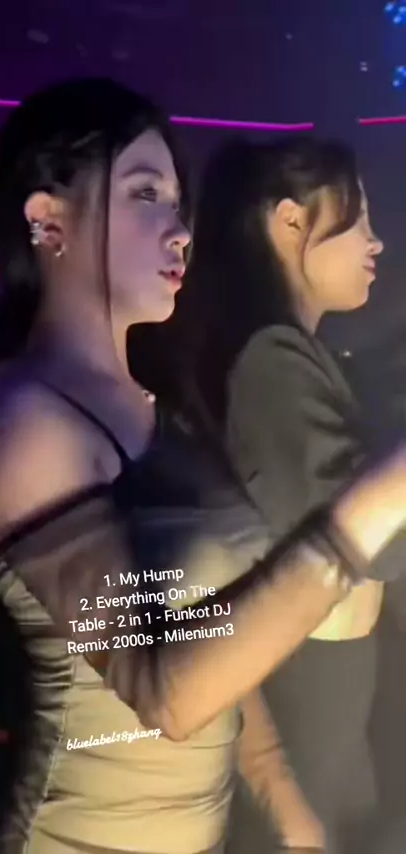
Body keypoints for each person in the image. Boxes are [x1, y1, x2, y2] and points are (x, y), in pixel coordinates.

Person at [0, 81, 406, 854]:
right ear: (47, 220)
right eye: (145, 194)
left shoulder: (157, 407)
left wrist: (283, 800)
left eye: (178, 201)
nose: (179, 229)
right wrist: (382, 494)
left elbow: (208, 631)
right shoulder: (17, 420)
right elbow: (166, 691)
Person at [177, 135, 403, 854]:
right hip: (306, 687)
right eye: (359, 217)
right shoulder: (269, 360)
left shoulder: (286, 353)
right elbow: (369, 543)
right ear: (290, 221)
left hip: (326, 682)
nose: (376, 240)